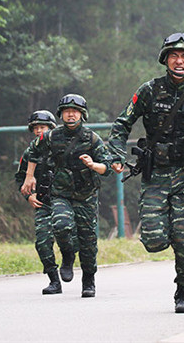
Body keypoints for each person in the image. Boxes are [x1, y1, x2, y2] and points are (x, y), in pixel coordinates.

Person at [108, 32, 184, 313]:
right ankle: (175, 236)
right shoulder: (148, 90)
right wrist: (115, 155)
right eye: (174, 55)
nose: (179, 60)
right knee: (152, 239)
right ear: (165, 59)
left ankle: (183, 291)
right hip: (156, 174)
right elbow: (122, 124)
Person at [21, 94, 113, 298]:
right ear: (61, 114)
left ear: (82, 114)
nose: (70, 114)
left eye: (75, 111)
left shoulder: (92, 138)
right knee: (61, 225)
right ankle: (68, 256)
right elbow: (33, 152)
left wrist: (92, 165)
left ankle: (89, 280)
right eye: (66, 111)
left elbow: (107, 168)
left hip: (86, 196)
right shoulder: (52, 136)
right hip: (60, 194)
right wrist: (28, 177)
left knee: (88, 243)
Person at [15, 110, 78, 295]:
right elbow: (20, 178)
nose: (38, 131)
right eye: (35, 128)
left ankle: (69, 257)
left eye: (42, 127)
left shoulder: (63, 147)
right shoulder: (30, 153)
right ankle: (53, 280)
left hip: (67, 201)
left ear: (51, 128)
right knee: (42, 242)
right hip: (43, 202)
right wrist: (29, 196)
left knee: (68, 235)